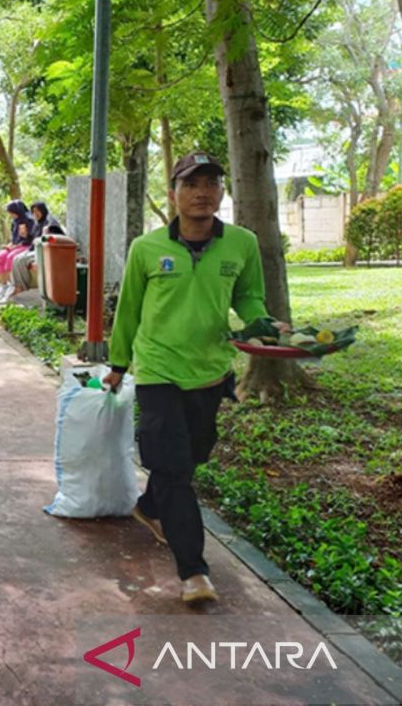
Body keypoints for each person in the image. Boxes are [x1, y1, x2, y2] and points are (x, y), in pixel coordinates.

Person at [101, 152, 287, 604]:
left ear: (222, 191)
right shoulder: (148, 248)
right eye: (191, 183)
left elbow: (248, 298)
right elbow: (129, 312)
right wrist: (119, 365)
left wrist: (262, 324)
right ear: (174, 194)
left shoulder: (241, 243)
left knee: (192, 456)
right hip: (159, 371)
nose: (202, 192)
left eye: (211, 182)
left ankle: (148, 507)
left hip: (210, 372)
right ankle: (194, 572)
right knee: (176, 471)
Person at [7, 201, 64, 298]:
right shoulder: (37, 223)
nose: (35, 214)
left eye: (38, 211)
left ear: (43, 210)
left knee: (21, 260)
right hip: (35, 249)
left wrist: (46, 234)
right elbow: (32, 238)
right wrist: (25, 235)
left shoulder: (50, 222)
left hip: (46, 251)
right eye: (33, 211)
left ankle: (23, 287)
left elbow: (54, 238)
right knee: (16, 259)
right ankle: (19, 286)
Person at [0, 200, 35, 302]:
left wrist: (14, 246)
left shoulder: (29, 220)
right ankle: (3, 286)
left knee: (11, 257)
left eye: (11, 212)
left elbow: (29, 239)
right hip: (16, 246)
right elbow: (14, 239)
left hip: (27, 246)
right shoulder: (14, 222)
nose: (10, 214)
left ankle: (12, 287)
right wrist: (9, 246)